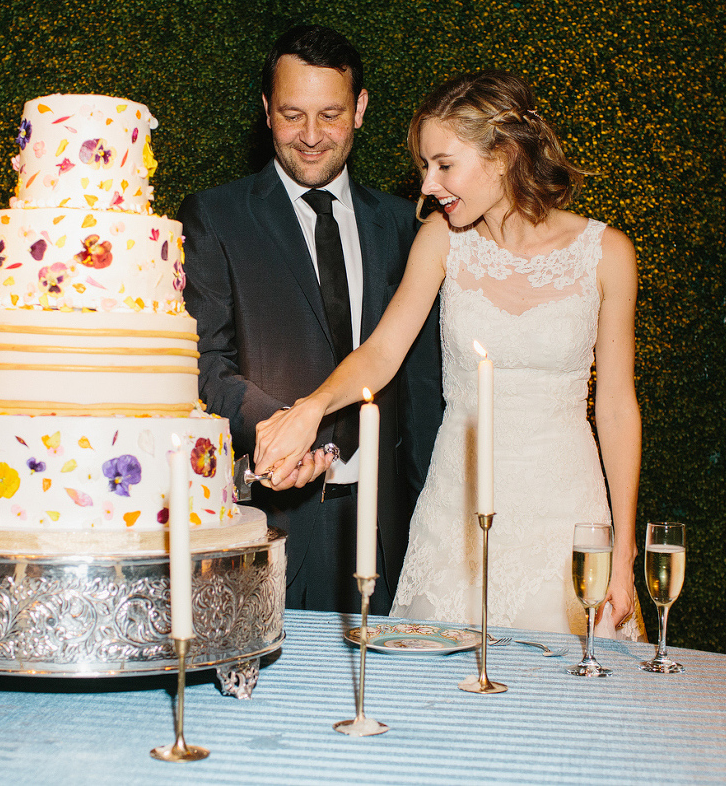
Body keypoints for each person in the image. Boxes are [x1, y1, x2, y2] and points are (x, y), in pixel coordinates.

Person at [255, 70, 646, 639]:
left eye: (444, 164)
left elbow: (615, 408)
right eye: (423, 167)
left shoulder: (607, 254)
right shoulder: (442, 241)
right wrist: (311, 406)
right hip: (456, 516)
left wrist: (625, 545)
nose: (428, 185)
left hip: (566, 510)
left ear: (504, 155)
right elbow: (382, 352)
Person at [179, 25, 442, 615]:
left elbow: (424, 392)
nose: (312, 137)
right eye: (293, 115)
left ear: (361, 109)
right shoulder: (215, 216)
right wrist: (287, 430)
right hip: (274, 525)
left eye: (331, 115)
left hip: (391, 533)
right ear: (267, 110)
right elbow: (204, 366)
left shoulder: (408, 227)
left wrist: (432, 519)